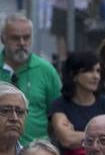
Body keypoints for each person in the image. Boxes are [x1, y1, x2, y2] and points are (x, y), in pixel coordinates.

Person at [48, 52, 105, 155]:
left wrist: (79, 135)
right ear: (74, 75)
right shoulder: (60, 105)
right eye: (89, 71)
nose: (96, 76)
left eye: (98, 71)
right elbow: (67, 139)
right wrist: (102, 137)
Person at [2, 15, 61, 146]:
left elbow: (58, 112)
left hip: (36, 151)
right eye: (15, 38)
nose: (22, 43)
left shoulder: (46, 70)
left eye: (26, 37)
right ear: (3, 39)